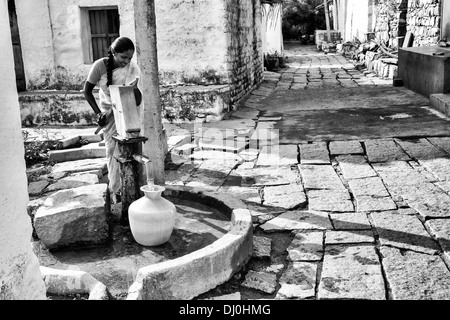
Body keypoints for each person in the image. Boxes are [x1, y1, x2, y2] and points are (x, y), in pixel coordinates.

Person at [83, 36, 142, 203]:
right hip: (107, 109)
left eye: (130, 58)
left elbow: (137, 100)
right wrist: (98, 114)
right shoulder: (100, 65)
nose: (127, 61)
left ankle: (131, 187)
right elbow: (86, 91)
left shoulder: (133, 69)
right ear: (114, 53)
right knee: (111, 150)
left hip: (128, 111)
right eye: (124, 57)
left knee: (128, 149)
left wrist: (132, 89)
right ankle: (114, 189)